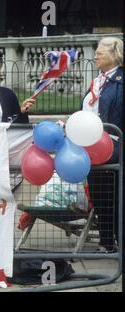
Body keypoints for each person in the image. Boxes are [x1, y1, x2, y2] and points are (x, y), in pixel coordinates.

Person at [82, 37, 123, 253]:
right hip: (91, 149)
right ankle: (107, 242)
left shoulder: (120, 80)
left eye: (100, 52)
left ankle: (118, 239)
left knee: (115, 197)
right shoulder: (98, 80)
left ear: (115, 54)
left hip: (115, 149)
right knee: (99, 195)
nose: (95, 55)